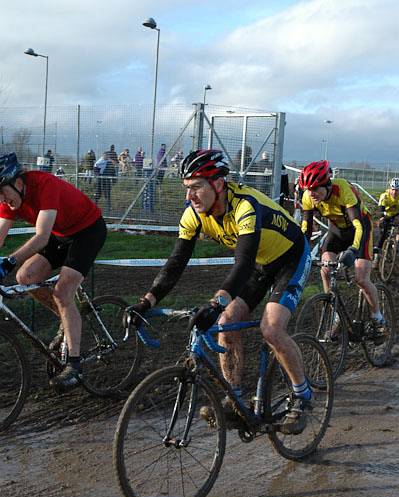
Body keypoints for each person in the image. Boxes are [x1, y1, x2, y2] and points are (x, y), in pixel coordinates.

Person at [126, 149, 313, 434]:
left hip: (289, 257)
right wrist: (147, 301)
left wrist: (216, 302)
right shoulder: (193, 214)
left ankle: (302, 396)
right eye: (187, 188)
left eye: (196, 187)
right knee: (226, 322)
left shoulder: (245, 205)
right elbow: (176, 262)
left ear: (218, 184)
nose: (190, 196)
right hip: (260, 263)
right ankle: (235, 400)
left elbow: (243, 262)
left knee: (272, 329)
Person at [0, 152, 107, 390]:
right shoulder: (10, 198)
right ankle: (66, 317)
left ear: (17, 182)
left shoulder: (44, 185)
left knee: (63, 292)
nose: (1, 199)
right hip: (61, 234)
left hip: (88, 231)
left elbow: (41, 237)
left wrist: (7, 261)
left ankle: (75, 365)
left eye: (2, 192)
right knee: (24, 277)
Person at [299, 160, 386, 338]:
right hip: (337, 231)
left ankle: (378, 318)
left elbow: (358, 225)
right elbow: (306, 228)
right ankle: (337, 317)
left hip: (360, 228)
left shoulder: (343, 189)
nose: (311, 193)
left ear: (327, 185)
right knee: (325, 270)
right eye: (308, 189)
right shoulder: (308, 197)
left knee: (361, 278)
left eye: (315, 188)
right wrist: (300, 251)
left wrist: (354, 250)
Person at [374, 177, 399, 263]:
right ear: (390, 189)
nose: (395, 192)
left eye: (397, 190)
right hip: (386, 215)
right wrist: (382, 218)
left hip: (396, 216)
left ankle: (396, 246)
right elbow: (381, 210)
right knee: (383, 233)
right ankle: (376, 257)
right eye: (393, 190)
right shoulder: (384, 196)